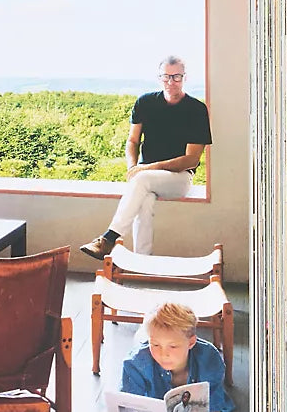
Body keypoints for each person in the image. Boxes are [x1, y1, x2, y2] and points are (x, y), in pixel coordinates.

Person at [81, 55, 211, 259]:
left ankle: (108, 239)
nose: (171, 82)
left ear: (185, 77)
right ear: (159, 78)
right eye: (166, 76)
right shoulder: (145, 102)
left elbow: (191, 160)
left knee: (142, 180)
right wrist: (133, 167)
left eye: (176, 77)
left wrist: (145, 169)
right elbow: (132, 141)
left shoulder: (197, 110)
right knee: (145, 202)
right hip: (146, 178)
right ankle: (143, 260)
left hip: (179, 178)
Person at [105, 300, 233, 412]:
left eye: (172, 346)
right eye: (155, 344)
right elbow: (126, 408)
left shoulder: (209, 359)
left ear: (191, 342)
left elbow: (213, 408)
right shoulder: (136, 363)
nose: (163, 354)